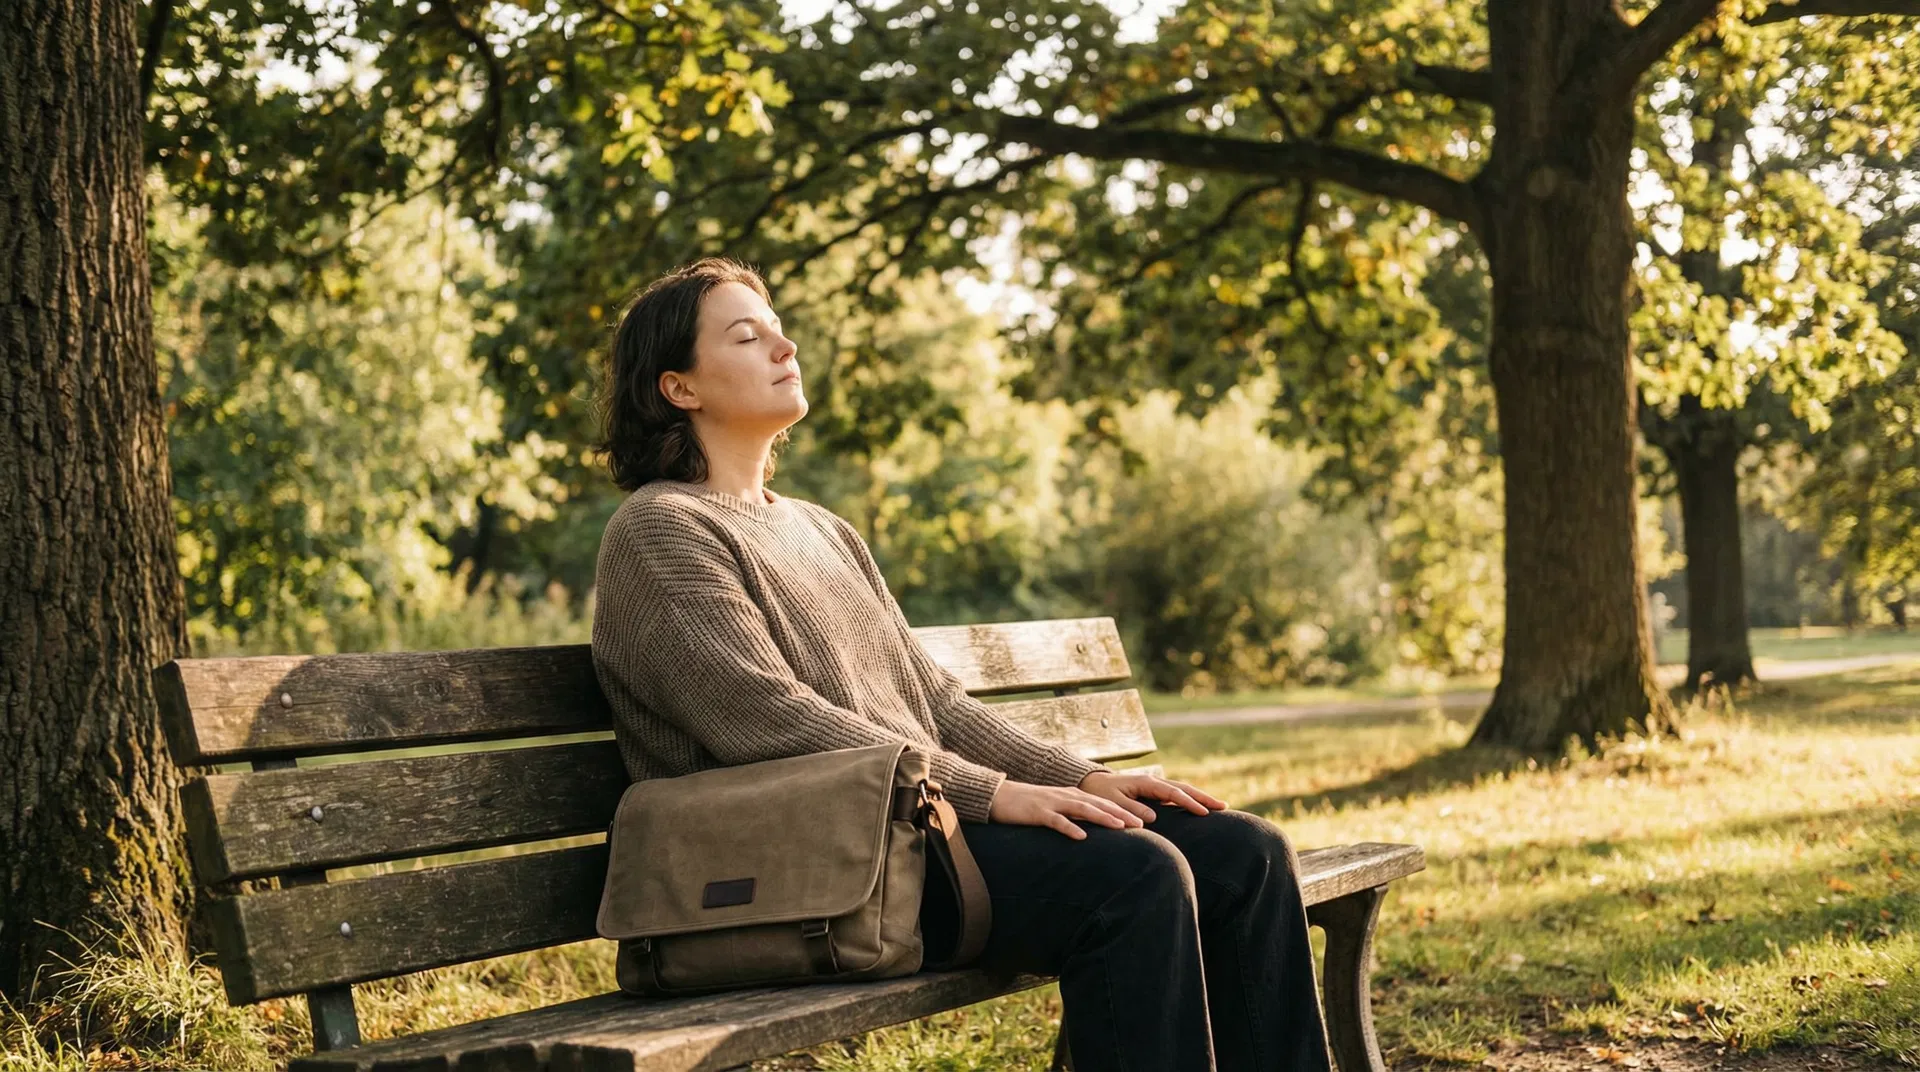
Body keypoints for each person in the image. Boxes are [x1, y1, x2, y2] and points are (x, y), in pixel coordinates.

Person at [589, 256, 1334, 1072]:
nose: (785, 344)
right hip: (824, 872)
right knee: (1136, 878)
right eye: (747, 335)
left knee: (1248, 854)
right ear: (679, 388)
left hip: (917, 835)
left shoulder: (822, 530)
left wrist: (1081, 779)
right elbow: (767, 719)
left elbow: (934, 700)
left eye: (777, 327)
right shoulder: (659, 531)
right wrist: (990, 794)